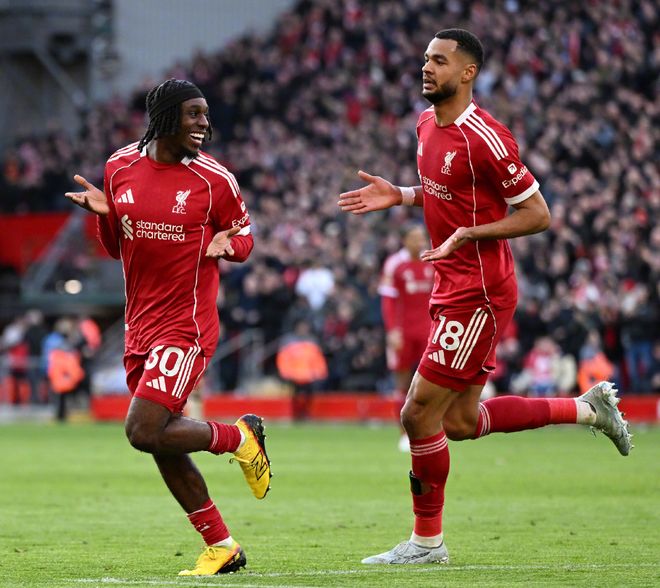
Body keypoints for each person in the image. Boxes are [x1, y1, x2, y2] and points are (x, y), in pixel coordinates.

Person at [338, 29, 632, 565]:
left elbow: (537, 214)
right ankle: (587, 410)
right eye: (425, 58)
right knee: (459, 423)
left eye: (439, 60)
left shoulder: (487, 139)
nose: (427, 67)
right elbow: (448, 193)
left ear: (467, 72)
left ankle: (427, 544)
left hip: (478, 292)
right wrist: (401, 194)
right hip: (450, 285)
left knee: (417, 414)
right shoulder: (425, 124)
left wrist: (470, 233)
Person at [65, 79, 271, 576]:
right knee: (161, 438)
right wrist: (105, 215)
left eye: (205, 114)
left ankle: (237, 437)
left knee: (142, 430)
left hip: (187, 324)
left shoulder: (215, 180)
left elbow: (244, 238)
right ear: (164, 118)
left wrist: (228, 246)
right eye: (194, 114)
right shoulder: (120, 167)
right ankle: (221, 545)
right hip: (139, 325)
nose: (204, 123)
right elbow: (115, 247)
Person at [379, 224, 434, 451]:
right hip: (403, 332)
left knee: (431, 383)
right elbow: (388, 300)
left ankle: (428, 430)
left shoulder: (432, 259)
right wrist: (392, 330)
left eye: (422, 237)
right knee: (402, 383)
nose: (420, 241)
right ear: (404, 240)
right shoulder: (394, 264)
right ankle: (403, 433)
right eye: (414, 237)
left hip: (429, 331)